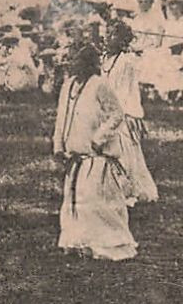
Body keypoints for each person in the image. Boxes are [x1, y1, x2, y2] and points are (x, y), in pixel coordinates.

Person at [52, 42, 138, 261]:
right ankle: (79, 241)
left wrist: (99, 138)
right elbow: (62, 117)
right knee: (76, 201)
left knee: (95, 200)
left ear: (87, 63)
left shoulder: (99, 85)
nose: (69, 64)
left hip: (96, 158)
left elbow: (116, 114)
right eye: (68, 59)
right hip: (75, 156)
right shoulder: (68, 86)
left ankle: (109, 243)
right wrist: (59, 146)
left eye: (74, 60)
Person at [100, 20, 158, 205]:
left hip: (122, 112)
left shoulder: (126, 62)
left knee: (124, 153)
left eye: (113, 35)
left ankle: (127, 189)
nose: (108, 38)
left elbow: (127, 91)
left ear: (123, 40)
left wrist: (123, 113)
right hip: (105, 110)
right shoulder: (104, 60)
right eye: (107, 34)